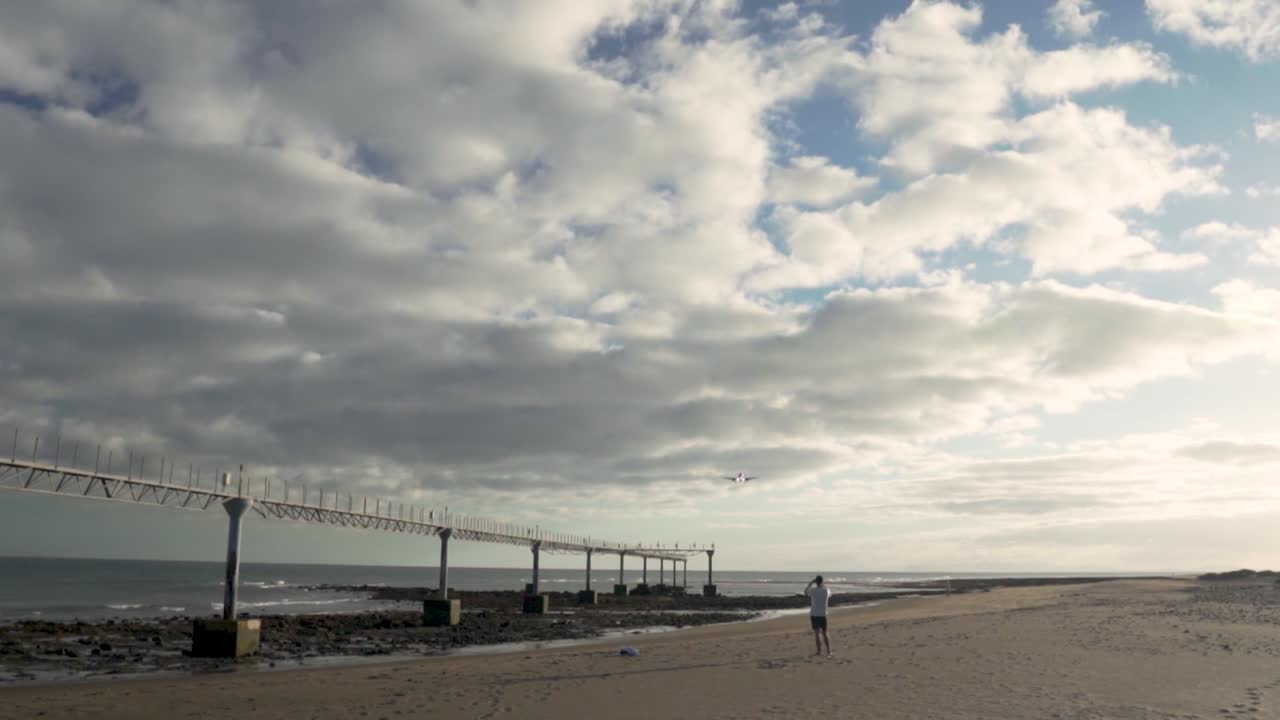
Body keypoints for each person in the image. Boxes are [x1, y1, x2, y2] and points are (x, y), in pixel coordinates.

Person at [803, 575, 832, 656]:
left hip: (815, 614)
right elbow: (830, 593)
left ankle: (819, 651)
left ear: (816, 582)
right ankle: (829, 651)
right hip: (823, 614)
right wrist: (823, 585)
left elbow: (805, 592)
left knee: (817, 633)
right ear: (822, 582)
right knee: (825, 632)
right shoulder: (826, 591)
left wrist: (810, 583)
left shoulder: (813, 590)